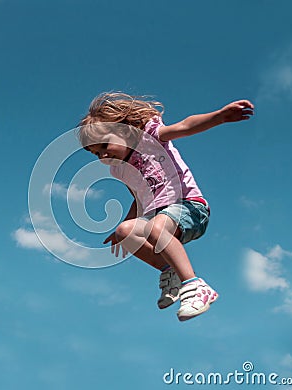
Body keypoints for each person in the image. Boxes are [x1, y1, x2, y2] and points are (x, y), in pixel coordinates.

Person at [77, 92, 254, 321]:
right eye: (96, 153)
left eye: (105, 145)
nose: (103, 154)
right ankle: (169, 271)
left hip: (189, 207)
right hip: (158, 217)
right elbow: (138, 198)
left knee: (156, 227)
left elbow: (185, 126)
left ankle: (196, 286)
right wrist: (124, 226)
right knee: (125, 231)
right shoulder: (120, 169)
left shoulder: (150, 137)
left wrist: (218, 116)